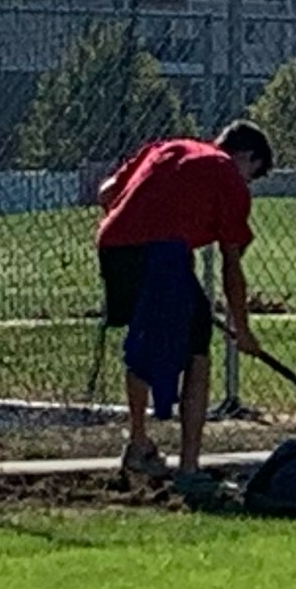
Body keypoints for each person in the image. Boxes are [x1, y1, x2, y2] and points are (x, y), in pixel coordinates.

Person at [96, 121, 270, 487]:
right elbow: (231, 265)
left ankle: (139, 441)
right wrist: (243, 329)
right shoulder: (226, 173)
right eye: (253, 175)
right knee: (197, 345)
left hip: (114, 246)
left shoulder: (167, 147)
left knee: (142, 341)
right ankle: (189, 467)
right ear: (246, 156)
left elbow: (107, 193)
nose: (248, 184)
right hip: (162, 254)